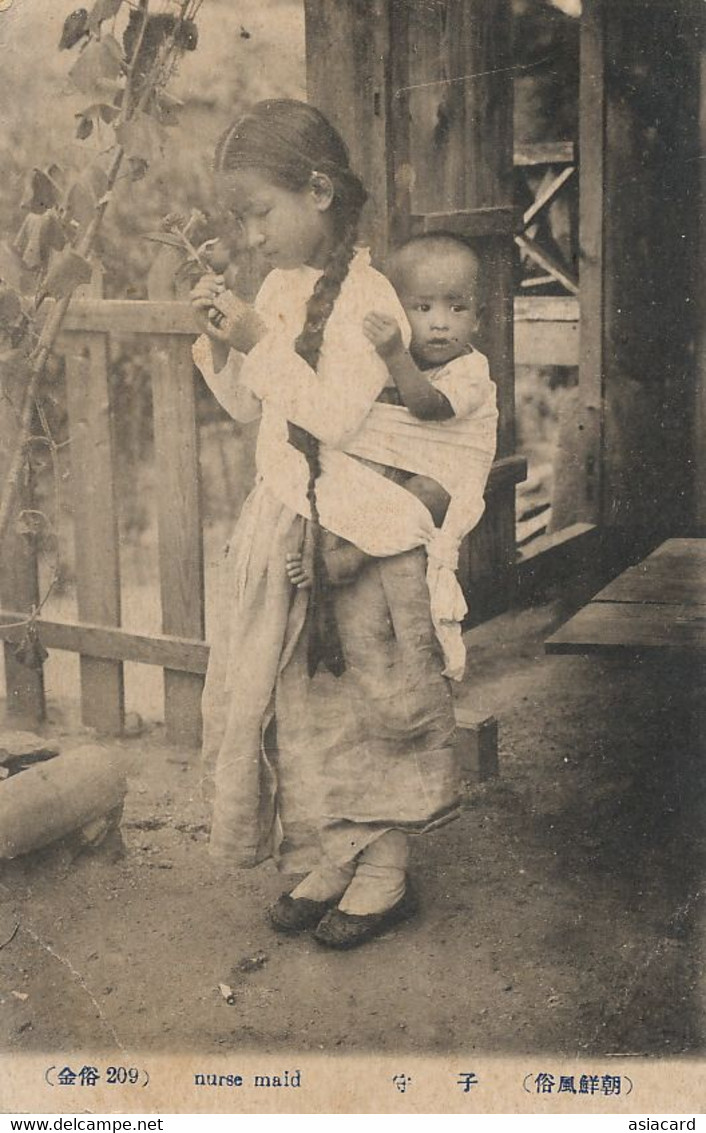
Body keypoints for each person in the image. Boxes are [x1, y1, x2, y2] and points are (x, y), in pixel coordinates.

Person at [190, 98, 468, 950]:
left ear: (318, 192)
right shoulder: (277, 288)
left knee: (369, 698)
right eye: (240, 218)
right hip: (286, 516)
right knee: (301, 703)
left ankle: (386, 869)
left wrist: (260, 345)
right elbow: (249, 404)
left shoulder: (369, 298)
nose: (250, 234)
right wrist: (223, 339)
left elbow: (335, 417)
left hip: (356, 531)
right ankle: (333, 852)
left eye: (258, 212)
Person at [284, 232, 498, 592]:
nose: (440, 323)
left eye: (457, 308)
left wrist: (395, 354)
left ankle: (352, 558)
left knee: (428, 495)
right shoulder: (388, 362)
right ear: (398, 312)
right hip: (395, 469)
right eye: (423, 308)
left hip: (447, 476)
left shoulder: (471, 371)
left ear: (478, 318)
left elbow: (428, 407)